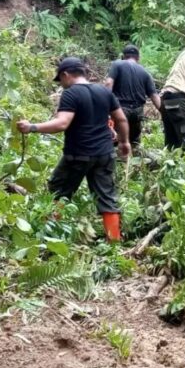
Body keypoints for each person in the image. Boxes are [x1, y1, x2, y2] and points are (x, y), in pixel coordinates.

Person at [16, 57, 131, 242]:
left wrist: (32, 127)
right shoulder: (104, 91)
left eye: (60, 80)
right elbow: (122, 119)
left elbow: (62, 123)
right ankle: (114, 241)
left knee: (58, 191)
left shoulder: (71, 93)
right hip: (104, 154)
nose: (61, 85)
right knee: (107, 196)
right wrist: (125, 142)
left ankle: (48, 236)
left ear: (65, 75)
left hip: (78, 155)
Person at [104, 44, 160, 149]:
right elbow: (155, 96)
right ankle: (134, 163)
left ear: (123, 56)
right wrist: (165, 114)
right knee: (134, 142)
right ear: (138, 58)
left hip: (120, 109)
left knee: (113, 141)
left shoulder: (117, 64)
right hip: (137, 112)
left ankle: (115, 163)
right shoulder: (145, 72)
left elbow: (108, 84)